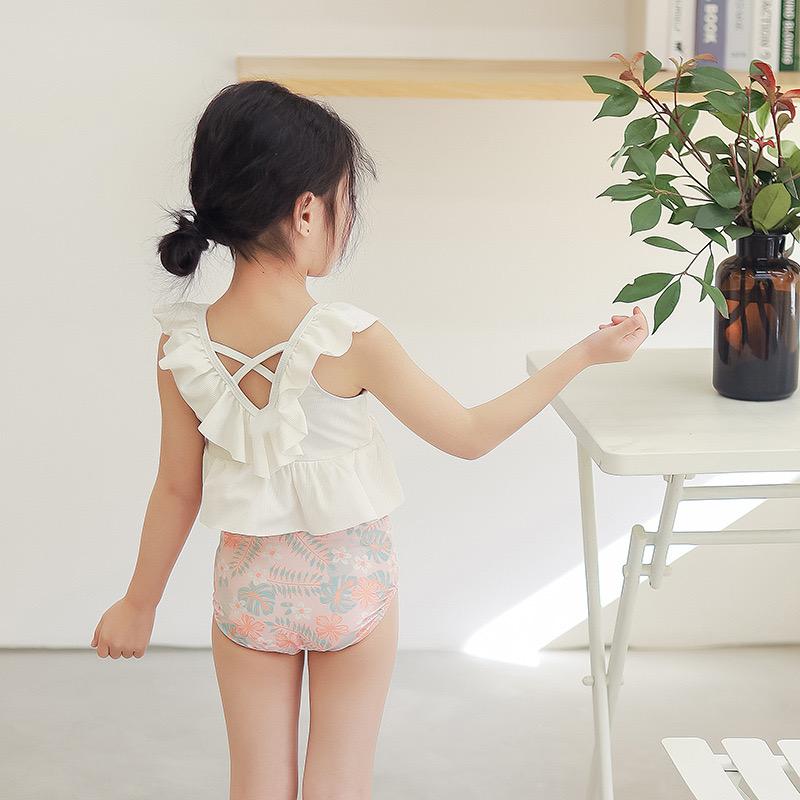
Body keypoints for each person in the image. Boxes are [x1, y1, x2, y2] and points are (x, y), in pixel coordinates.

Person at [90, 80, 649, 800]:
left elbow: (177, 487)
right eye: (345, 200)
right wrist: (585, 355)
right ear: (306, 211)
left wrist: (138, 603)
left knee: (255, 783)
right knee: (341, 781)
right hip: (351, 589)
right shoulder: (349, 337)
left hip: (249, 593)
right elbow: (469, 435)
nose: (348, 218)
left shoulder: (184, 346)